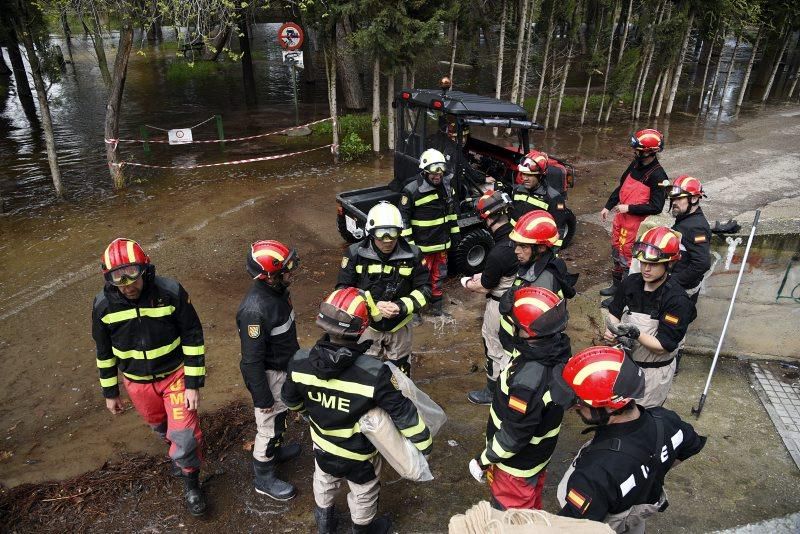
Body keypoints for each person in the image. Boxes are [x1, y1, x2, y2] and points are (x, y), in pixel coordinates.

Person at [282, 287, 433, 534]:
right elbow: (402, 413)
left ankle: (325, 524)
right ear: (362, 328)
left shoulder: (299, 361)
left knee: (324, 480)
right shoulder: (375, 373)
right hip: (359, 455)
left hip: (323, 445)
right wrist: (423, 443)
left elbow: (290, 401)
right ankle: (363, 529)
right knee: (364, 492)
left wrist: (312, 415)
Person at [92, 238, 208, 516]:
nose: (128, 285)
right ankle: (179, 453)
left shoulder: (170, 292)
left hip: (175, 376)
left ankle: (192, 484)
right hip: (137, 383)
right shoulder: (102, 307)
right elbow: (104, 352)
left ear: (145, 268)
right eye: (118, 279)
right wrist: (110, 392)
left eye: (133, 275)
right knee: (162, 428)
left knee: (184, 435)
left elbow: (193, 337)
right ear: (108, 278)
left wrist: (193, 384)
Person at [557, 346, 706, 533]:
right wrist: (652, 467)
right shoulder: (666, 420)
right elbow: (691, 445)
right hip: (636, 519)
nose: (574, 408)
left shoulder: (594, 473)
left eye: (579, 402)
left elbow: (574, 527)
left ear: (610, 408)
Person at [468, 287, 571, 510]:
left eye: (512, 322)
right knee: (531, 512)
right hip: (537, 459)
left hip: (515, 468)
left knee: (511, 521)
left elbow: (514, 435)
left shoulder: (527, 382)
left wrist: (484, 459)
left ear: (525, 331)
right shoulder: (555, 348)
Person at [236, 240, 302, 501]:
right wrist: (262, 398)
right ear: (269, 277)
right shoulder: (255, 310)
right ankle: (263, 477)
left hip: (285, 366)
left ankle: (275, 450)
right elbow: (251, 361)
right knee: (269, 424)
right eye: (285, 269)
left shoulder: (278, 292)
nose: (291, 272)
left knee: (281, 416)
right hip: (270, 374)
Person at [604, 226, 696, 408]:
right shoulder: (631, 282)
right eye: (643, 262)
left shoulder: (677, 300)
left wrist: (634, 333)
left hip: (652, 374)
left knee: (642, 418)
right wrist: (611, 329)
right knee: (614, 411)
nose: (646, 269)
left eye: (653, 264)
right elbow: (614, 312)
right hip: (625, 365)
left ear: (669, 263)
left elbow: (663, 346)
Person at [337, 201, 431, 377]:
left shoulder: (414, 254)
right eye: (381, 234)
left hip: (400, 326)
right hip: (367, 325)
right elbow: (343, 291)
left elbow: (424, 289)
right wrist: (373, 306)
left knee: (401, 374)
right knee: (366, 372)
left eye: (393, 234)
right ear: (371, 232)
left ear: (400, 231)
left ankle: (400, 399)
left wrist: (401, 306)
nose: (387, 240)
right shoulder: (354, 254)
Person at [600, 129, 669, 308]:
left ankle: (622, 299)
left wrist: (629, 207)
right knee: (617, 255)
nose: (634, 152)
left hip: (636, 226)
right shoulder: (635, 164)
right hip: (621, 221)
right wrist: (608, 206)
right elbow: (621, 187)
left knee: (630, 263)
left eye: (637, 150)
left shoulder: (658, 176)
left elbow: (656, 206)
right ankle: (616, 287)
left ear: (649, 151)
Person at [462, 191, 519, 404]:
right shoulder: (518, 237)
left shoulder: (499, 252)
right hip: (518, 302)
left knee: (493, 345)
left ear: (488, 218)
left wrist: (467, 282)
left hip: (499, 305)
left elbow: (485, 286)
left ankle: (493, 392)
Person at [498, 210, 577, 359]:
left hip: (523, 351)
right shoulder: (543, 265)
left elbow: (534, 332)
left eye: (523, 246)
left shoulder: (541, 283)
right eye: (516, 245)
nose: (516, 251)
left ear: (541, 248)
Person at [399, 148, 460, 316]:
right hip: (421, 248)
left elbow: (452, 214)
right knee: (419, 280)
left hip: (441, 246)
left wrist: (455, 235)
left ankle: (436, 310)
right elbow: (403, 221)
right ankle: (415, 313)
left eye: (441, 170)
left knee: (438, 277)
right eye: (434, 171)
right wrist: (410, 246)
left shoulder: (448, 188)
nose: (437, 175)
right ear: (425, 171)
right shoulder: (412, 191)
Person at [510, 150, 568, 248]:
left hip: (536, 247)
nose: (525, 178)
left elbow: (558, 229)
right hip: (515, 242)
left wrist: (552, 255)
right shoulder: (517, 190)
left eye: (530, 175)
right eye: (524, 174)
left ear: (540, 176)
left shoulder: (554, 198)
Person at [667, 175, 712, 299]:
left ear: (694, 198)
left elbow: (702, 263)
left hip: (681, 291)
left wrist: (673, 282)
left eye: (679, 199)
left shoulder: (696, 227)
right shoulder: (685, 219)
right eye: (673, 199)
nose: (674, 202)